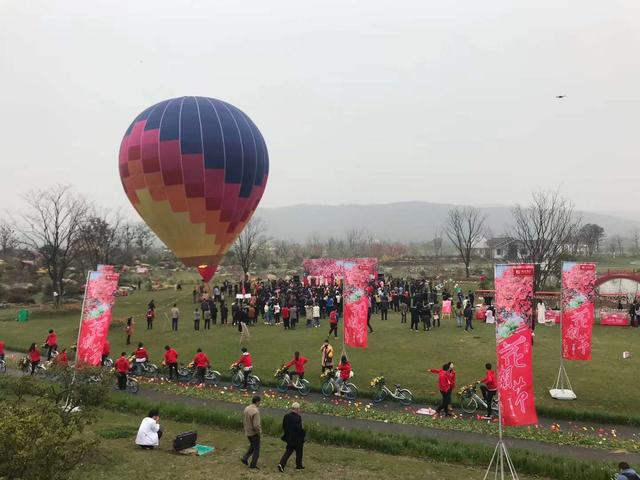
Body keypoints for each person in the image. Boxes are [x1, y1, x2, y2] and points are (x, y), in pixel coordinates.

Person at [278, 402, 306, 472]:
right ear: (297, 409)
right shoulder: (298, 417)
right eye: (299, 409)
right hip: (297, 438)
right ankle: (299, 465)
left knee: (289, 451)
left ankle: (282, 464)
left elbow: (284, 426)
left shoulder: (286, 416)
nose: (299, 410)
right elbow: (299, 429)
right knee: (299, 452)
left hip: (289, 437)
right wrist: (303, 432)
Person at [242, 395, 262, 469]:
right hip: (254, 433)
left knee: (252, 446)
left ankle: (245, 458)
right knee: (256, 449)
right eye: (260, 402)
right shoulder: (255, 411)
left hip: (248, 432)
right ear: (257, 402)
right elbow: (256, 425)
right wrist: (259, 433)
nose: (260, 403)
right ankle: (253, 464)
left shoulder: (247, 408)